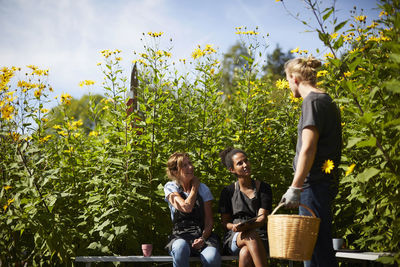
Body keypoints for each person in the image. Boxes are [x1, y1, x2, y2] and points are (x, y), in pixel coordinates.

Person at [280, 56, 342, 267]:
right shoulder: (326, 100)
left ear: (294, 78)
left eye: (288, 81)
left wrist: (295, 187)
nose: (289, 86)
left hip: (313, 185)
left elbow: (308, 147)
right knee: (317, 247)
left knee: (315, 250)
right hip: (321, 184)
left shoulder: (312, 102)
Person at [164, 152, 221, 267]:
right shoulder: (171, 187)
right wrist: (194, 188)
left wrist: (202, 239)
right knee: (180, 247)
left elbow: (209, 221)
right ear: (175, 172)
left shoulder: (204, 189)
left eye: (190, 163)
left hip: (202, 236)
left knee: (212, 257)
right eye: (184, 165)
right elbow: (186, 207)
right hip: (180, 237)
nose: (190, 167)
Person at [218, 147, 272, 267]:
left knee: (245, 252)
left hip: (260, 236)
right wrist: (235, 227)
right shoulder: (228, 192)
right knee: (250, 235)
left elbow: (261, 219)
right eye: (240, 163)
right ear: (232, 170)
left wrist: (248, 226)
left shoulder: (264, 188)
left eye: (246, 161)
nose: (245, 165)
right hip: (235, 236)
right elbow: (225, 223)